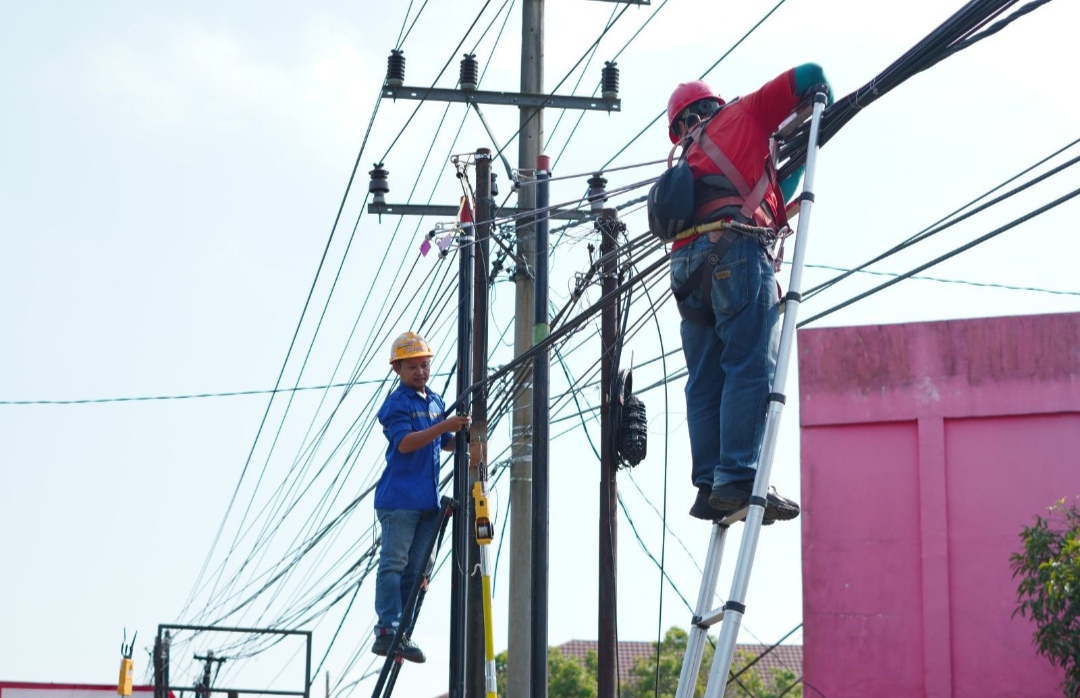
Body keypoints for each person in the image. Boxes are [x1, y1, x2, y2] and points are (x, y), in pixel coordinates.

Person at [665, 64, 831, 523]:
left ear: (678, 125)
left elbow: (768, 193)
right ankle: (737, 477)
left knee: (704, 377)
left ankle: (709, 483)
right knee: (751, 362)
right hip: (735, 252)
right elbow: (811, 74)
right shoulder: (746, 115)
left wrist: (789, 171)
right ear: (714, 106)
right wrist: (826, 112)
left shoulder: (686, 161)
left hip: (686, 270)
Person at [372, 331, 470, 662]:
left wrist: (465, 441)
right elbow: (406, 443)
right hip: (399, 500)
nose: (420, 372)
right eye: (412, 367)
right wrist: (445, 428)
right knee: (395, 563)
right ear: (397, 369)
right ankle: (388, 628)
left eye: (425, 365)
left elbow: (440, 443)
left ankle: (402, 632)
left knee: (417, 571)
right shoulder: (396, 404)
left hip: (427, 502)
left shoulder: (436, 401)